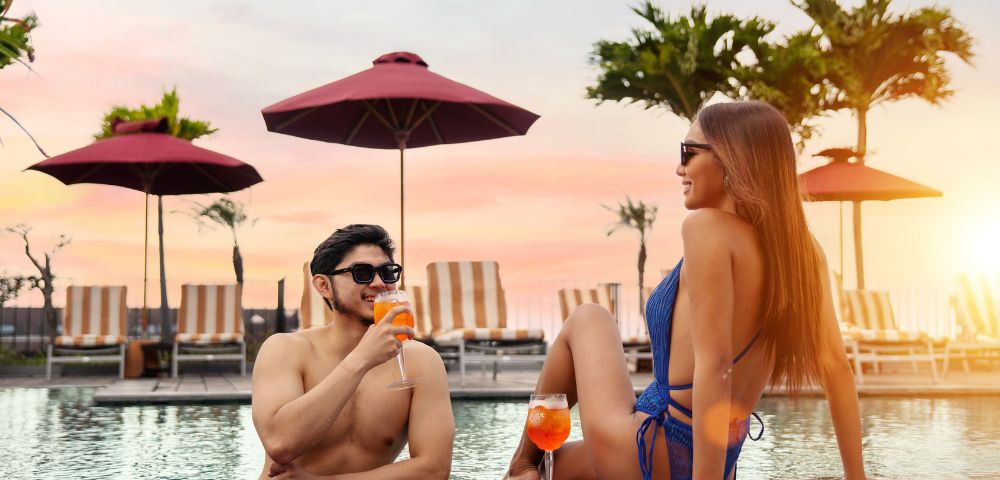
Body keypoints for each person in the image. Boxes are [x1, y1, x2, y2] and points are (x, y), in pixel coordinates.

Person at [505, 101, 866, 479]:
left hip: (650, 450)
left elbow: (715, 365)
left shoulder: (706, 228)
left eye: (688, 153)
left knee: (588, 317)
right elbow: (837, 369)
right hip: (711, 459)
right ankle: (531, 468)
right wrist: (856, 477)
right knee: (555, 471)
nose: (679, 168)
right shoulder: (804, 253)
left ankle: (521, 463)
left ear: (731, 158)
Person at [252, 224, 454, 479]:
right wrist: (361, 359)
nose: (380, 283)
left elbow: (434, 470)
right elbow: (280, 443)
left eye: (387, 272)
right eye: (362, 272)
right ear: (323, 285)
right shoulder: (285, 350)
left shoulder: (422, 361)